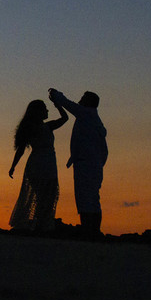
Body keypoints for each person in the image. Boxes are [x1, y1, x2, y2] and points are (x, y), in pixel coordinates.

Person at [48, 88, 108, 238]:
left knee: (85, 198)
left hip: (86, 165)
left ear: (88, 102)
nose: (80, 101)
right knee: (92, 198)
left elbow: (68, 104)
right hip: (94, 165)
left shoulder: (86, 114)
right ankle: (93, 230)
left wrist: (56, 95)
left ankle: (89, 231)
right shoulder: (94, 120)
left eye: (83, 98)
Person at [8, 98, 69, 233]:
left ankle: (41, 225)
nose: (47, 111)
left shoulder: (47, 126)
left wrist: (58, 104)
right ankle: (41, 226)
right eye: (45, 109)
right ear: (38, 112)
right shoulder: (35, 128)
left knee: (47, 197)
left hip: (46, 165)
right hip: (40, 165)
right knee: (44, 198)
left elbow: (65, 118)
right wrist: (13, 166)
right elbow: (21, 149)